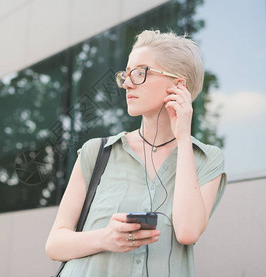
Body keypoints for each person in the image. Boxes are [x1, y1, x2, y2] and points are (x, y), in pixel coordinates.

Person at [45, 30, 227, 277]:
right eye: (127, 74)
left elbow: (187, 232)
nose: (127, 83)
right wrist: (105, 238)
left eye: (141, 72)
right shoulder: (97, 152)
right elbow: (55, 244)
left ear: (178, 85)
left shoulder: (206, 159)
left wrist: (183, 137)